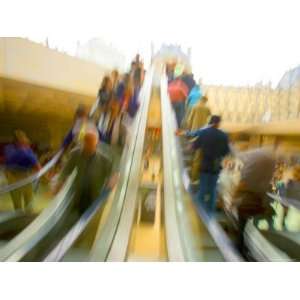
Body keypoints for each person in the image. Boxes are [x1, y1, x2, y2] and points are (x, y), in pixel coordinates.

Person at [53, 130, 119, 215]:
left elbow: (113, 173)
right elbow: (66, 170)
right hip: (80, 192)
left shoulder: (104, 159)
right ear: (83, 143)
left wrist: (113, 179)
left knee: (91, 214)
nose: (89, 147)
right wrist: (59, 183)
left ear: (96, 144)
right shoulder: (75, 154)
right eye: (87, 144)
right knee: (81, 213)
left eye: (92, 145)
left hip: (95, 193)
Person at [231, 147, 276, 250]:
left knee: (241, 225)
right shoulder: (268, 171)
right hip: (260, 203)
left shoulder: (251, 169)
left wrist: (233, 198)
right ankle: (246, 245)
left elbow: (243, 183)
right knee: (249, 224)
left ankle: (239, 246)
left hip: (248, 202)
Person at [191, 115, 230, 213]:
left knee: (203, 188)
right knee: (213, 190)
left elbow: (195, 146)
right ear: (219, 123)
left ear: (210, 122)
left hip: (205, 165)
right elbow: (226, 152)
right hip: (216, 166)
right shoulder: (224, 135)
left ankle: (199, 211)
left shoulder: (204, 133)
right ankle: (210, 212)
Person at [4, 130, 41, 211]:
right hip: (13, 178)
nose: (26, 140)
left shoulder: (27, 149)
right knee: (17, 206)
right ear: (17, 141)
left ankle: (28, 219)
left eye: (25, 138)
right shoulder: (10, 149)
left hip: (25, 176)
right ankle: (20, 220)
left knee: (29, 204)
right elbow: (10, 160)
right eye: (23, 139)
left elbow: (37, 167)